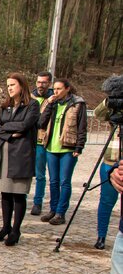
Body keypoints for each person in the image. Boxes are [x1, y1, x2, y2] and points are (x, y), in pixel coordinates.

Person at [0, 73, 40, 246]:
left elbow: (25, 125)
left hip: (21, 155)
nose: (9, 88)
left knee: (18, 193)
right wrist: (11, 133)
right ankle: (6, 226)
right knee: (5, 192)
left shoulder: (32, 105)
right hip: (4, 153)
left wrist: (6, 128)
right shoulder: (6, 105)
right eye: (8, 85)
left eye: (12, 85)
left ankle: (16, 230)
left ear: (22, 85)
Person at [37, 79, 87, 225]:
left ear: (67, 89)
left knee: (64, 181)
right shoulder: (52, 103)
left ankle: (61, 212)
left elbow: (82, 126)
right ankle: (53, 210)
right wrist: (49, 105)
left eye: (59, 89)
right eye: (54, 89)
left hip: (68, 147)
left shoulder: (77, 103)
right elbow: (41, 123)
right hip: (51, 147)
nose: (56, 91)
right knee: (53, 181)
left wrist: (79, 147)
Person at [93, 99, 119, 250]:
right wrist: (110, 100)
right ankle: (101, 235)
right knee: (106, 201)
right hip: (111, 160)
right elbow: (98, 114)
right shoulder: (116, 108)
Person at [30, 71, 54, 215]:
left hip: (42, 140)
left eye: (44, 82)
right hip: (28, 140)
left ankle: (37, 202)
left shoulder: (54, 98)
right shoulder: (30, 97)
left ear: (49, 83)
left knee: (40, 174)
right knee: (24, 173)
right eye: (39, 82)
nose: (41, 85)